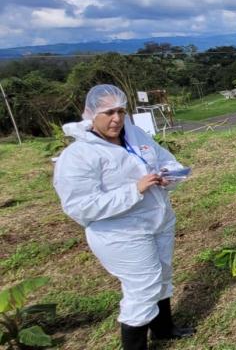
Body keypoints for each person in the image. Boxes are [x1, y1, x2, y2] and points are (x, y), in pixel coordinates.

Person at [53, 84, 194, 350]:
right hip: (121, 233)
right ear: (90, 115)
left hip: (158, 219)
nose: (116, 118)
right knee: (143, 288)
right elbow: (80, 207)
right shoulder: (79, 155)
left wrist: (168, 175)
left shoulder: (134, 134)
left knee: (162, 274)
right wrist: (135, 189)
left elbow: (166, 159)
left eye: (120, 111)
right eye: (108, 112)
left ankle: (164, 329)